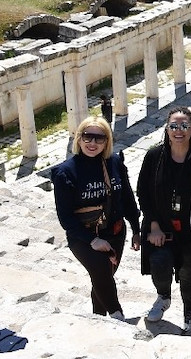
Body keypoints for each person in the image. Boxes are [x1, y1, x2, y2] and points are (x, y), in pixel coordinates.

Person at [52, 116, 140, 320]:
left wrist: (136, 229)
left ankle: (97, 318)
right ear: (79, 139)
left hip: (115, 232)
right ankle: (118, 317)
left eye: (99, 138)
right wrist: (93, 240)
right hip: (83, 236)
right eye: (87, 137)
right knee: (101, 269)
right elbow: (65, 218)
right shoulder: (66, 172)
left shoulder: (114, 162)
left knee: (103, 277)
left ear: (107, 141)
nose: (92, 143)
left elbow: (126, 197)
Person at [136, 107, 191, 331]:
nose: (178, 130)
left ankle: (189, 312)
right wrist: (153, 225)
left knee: (189, 269)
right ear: (167, 129)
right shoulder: (154, 156)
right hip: (159, 224)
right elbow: (143, 191)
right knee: (160, 262)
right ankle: (163, 297)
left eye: (184, 126)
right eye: (174, 126)